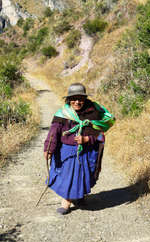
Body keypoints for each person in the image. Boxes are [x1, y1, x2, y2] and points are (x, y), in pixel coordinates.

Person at [43, 83, 115, 215]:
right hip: (68, 152)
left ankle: (80, 196)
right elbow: (54, 133)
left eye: (80, 99)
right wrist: (48, 148)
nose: (77, 102)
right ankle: (66, 203)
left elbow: (100, 135)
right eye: (74, 99)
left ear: (85, 99)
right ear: (69, 99)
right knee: (69, 177)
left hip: (86, 152)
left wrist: (87, 139)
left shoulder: (93, 114)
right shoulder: (63, 114)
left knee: (84, 175)